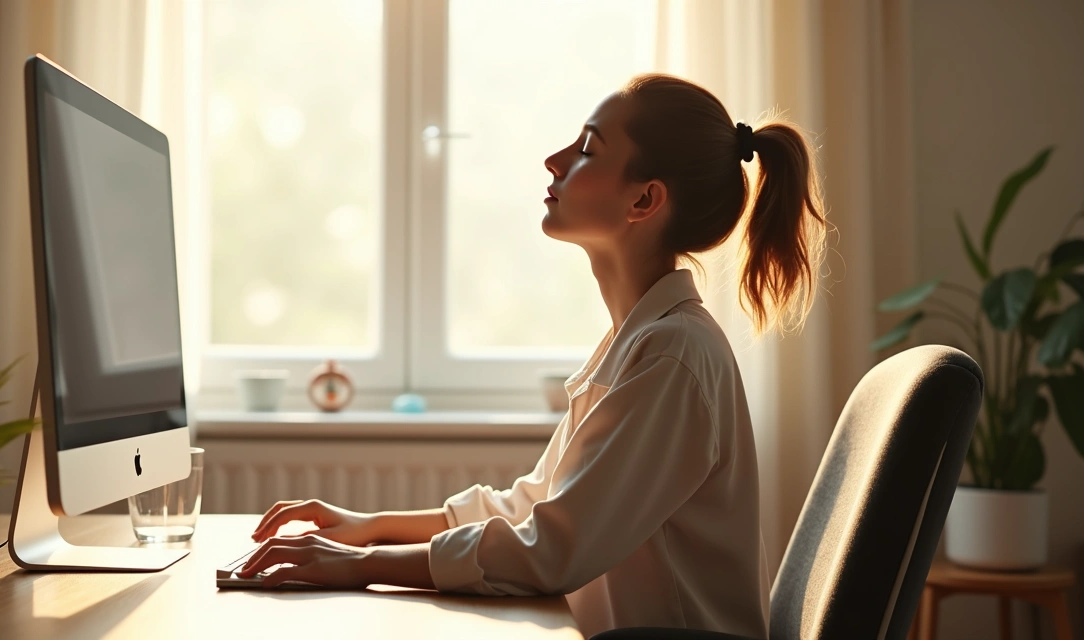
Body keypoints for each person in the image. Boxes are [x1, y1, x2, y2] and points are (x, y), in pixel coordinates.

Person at [237, 73, 827, 639]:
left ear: (644, 200)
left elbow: (548, 550)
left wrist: (361, 566)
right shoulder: (638, 342)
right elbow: (534, 506)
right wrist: (370, 531)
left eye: (588, 150)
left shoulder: (672, 354)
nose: (555, 160)